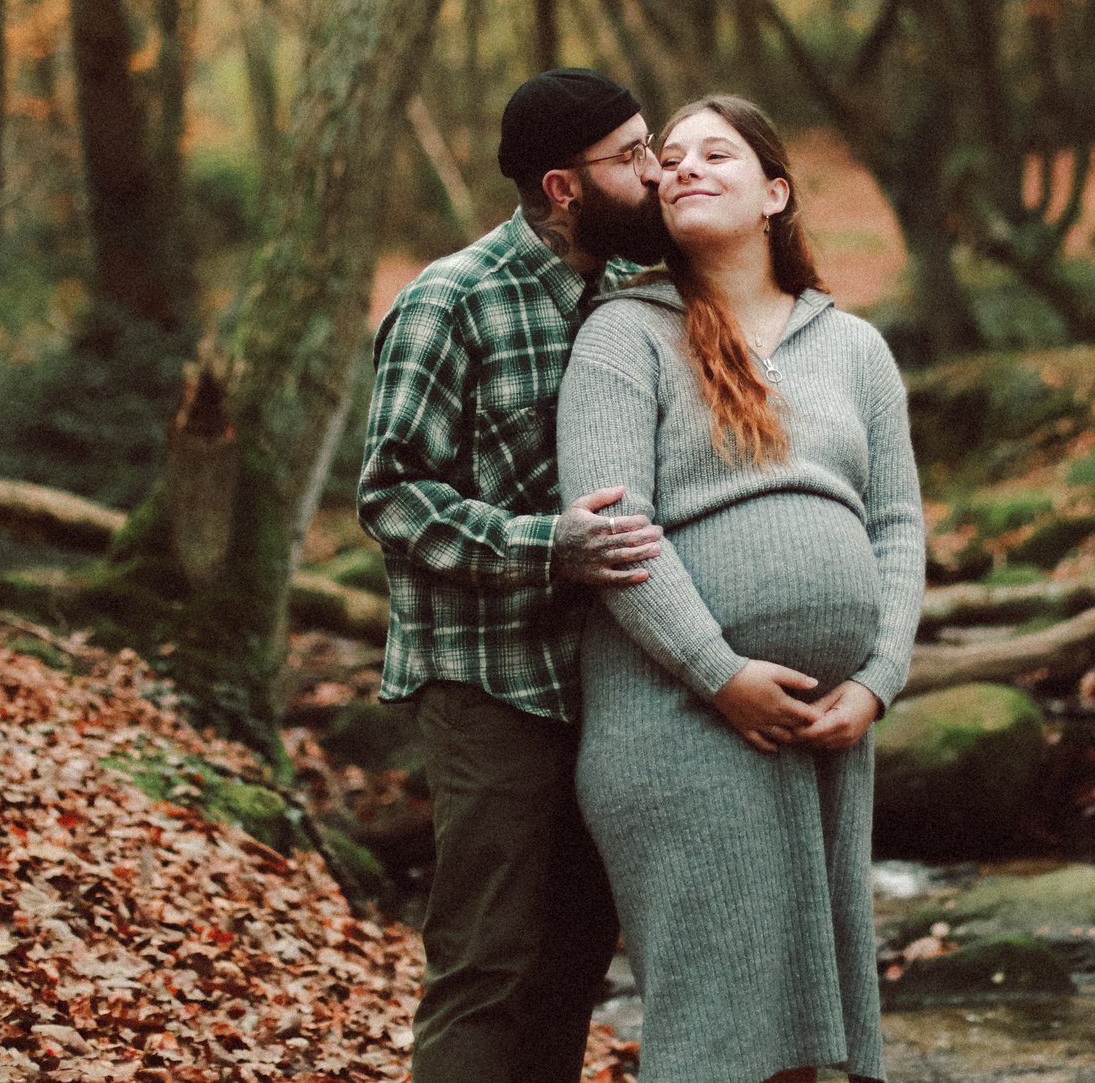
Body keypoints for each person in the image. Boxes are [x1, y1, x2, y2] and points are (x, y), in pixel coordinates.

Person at [556, 94, 926, 1083]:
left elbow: (895, 525)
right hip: (676, 713)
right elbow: (611, 530)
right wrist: (721, 673)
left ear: (776, 192)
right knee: (723, 1039)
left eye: (714, 152)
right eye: (667, 156)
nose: (682, 166)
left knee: (807, 1040)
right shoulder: (621, 335)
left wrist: (877, 679)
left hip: (824, 730)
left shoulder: (854, 349)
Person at [359, 67, 676, 1083]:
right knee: (486, 959)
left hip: (609, 680)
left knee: (575, 958)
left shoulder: (634, 294)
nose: (657, 169)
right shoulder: (449, 298)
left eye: (651, 143)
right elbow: (391, 494)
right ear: (560, 185)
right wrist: (546, 544)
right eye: (630, 156)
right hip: (487, 680)